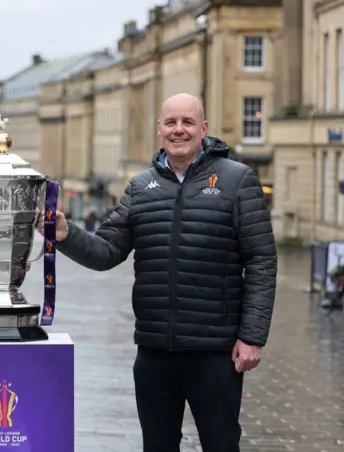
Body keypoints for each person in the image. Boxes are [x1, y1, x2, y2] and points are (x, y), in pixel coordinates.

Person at [39, 93, 277, 452]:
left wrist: (253, 336)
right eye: (171, 122)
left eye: (187, 122)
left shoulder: (237, 180)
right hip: (154, 351)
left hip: (215, 351)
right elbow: (107, 251)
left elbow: (261, 259)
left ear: (204, 129)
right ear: (159, 129)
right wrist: (66, 235)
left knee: (221, 443)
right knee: (158, 445)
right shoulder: (140, 187)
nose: (178, 130)